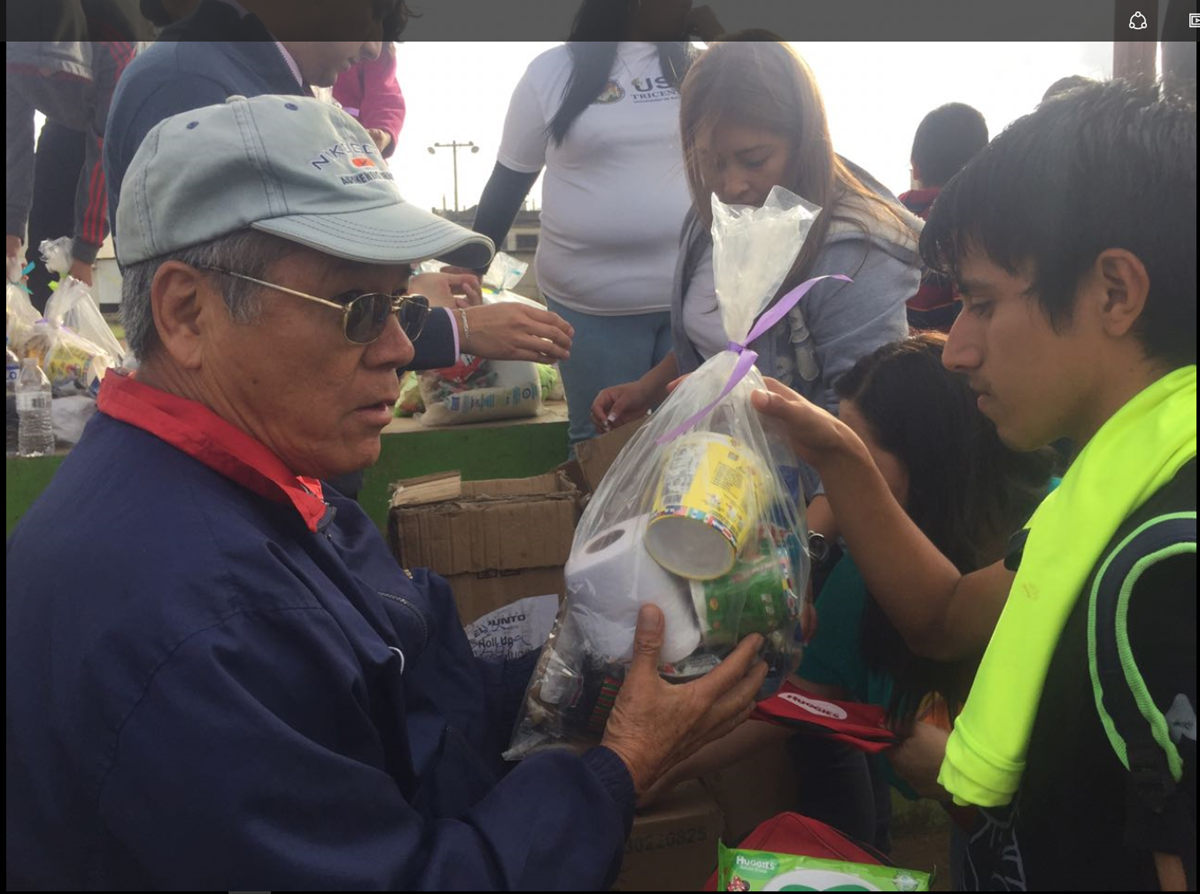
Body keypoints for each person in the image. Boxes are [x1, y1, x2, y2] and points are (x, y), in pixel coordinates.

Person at [5, 95, 768, 890]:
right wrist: (622, 768)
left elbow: (418, 705)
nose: (403, 349)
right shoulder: (197, 621)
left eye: (403, 303)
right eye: (358, 309)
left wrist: (608, 668)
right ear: (186, 311)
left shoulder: (253, 485)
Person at [752, 81, 1196, 891]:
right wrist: (842, 456)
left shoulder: (1166, 568)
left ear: (1114, 293)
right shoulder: (1106, 491)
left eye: (982, 304)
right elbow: (948, 618)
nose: (954, 350)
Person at [641, 334, 1054, 852]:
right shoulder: (873, 571)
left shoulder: (1055, 548)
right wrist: (652, 763)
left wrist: (960, 767)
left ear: (929, 462)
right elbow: (806, 695)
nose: (835, 490)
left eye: (855, 461)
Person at [105, 0, 572, 378]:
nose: (373, 48)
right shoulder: (193, 82)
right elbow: (246, 312)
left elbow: (282, 275)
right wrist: (454, 329)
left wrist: (402, 293)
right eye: (374, 11)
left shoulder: (249, 80)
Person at [593, 39, 921, 544]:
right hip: (718, 494)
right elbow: (726, 347)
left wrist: (799, 550)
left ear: (805, 139)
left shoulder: (855, 255)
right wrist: (650, 385)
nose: (731, 184)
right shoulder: (711, 224)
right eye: (712, 162)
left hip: (810, 513)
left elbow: (866, 433)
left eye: (754, 159)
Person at [471, 0, 706, 447]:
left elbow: (770, 96)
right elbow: (510, 179)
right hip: (591, 308)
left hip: (695, 299)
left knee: (696, 445)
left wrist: (718, 34)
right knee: (605, 441)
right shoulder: (551, 72)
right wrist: (468, 265)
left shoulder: (704, 67)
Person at [7, 39, 141, 296]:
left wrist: (85, 252)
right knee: (42, 257)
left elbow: (105, 153)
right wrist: (11, 232)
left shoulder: (115, 46)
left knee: (127, 245)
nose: (45, 75)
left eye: (54, 69)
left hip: (126, 126)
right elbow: (14, 145)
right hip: (63, 124)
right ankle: (44, 325)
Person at [900, 103, 989, 332]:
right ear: (982, 166)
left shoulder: (890, 212)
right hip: (944, 355)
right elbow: (972, 317)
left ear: (915, 168)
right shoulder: (971, 221)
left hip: (892, 349)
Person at [333, 42, 405, 158]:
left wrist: (382, 132)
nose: (373, 50)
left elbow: (384, 97)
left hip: (349, 153)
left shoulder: (378, 52)